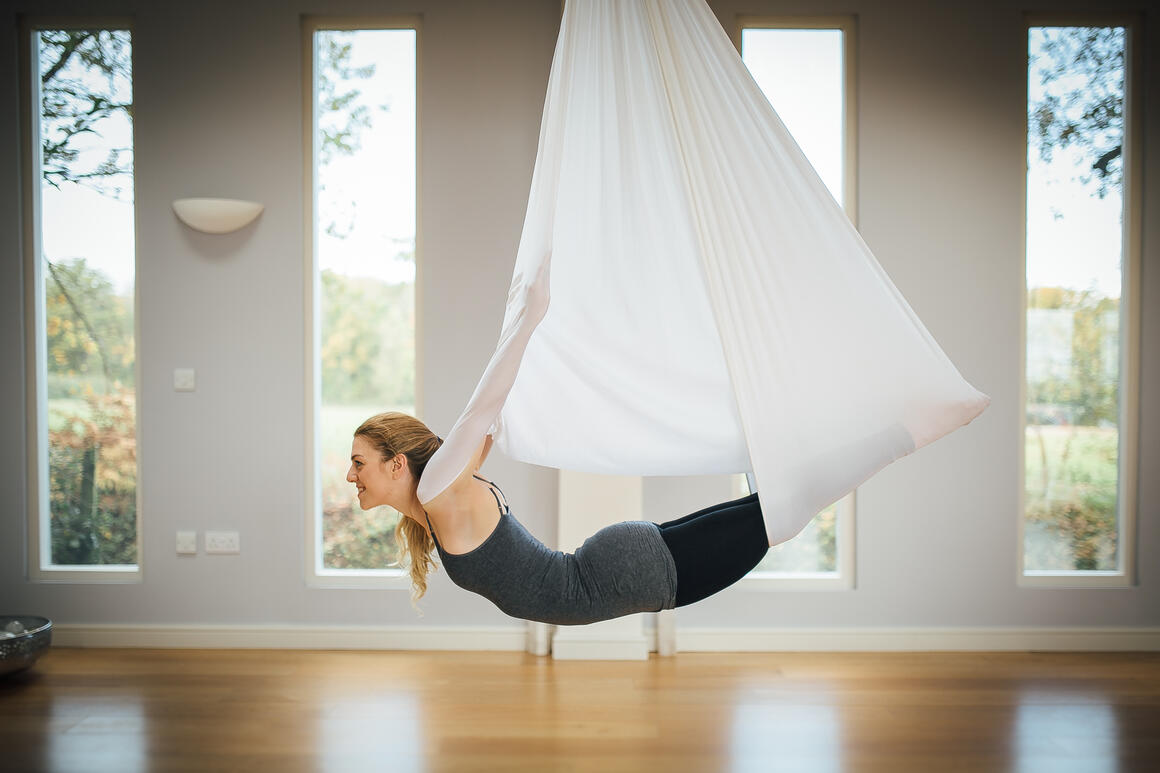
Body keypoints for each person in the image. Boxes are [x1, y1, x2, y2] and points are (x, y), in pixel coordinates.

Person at [347, 412, 770, 625]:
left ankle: (814, 450)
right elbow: (487, 427)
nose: (351, 475)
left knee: (777, 515)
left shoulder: (441, 496)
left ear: (397, 464)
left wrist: (525, 317)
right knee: (772, 509)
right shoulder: (437, 503)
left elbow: (483, 413)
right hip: (626, 566)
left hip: (631, 574)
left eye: (359, 463)